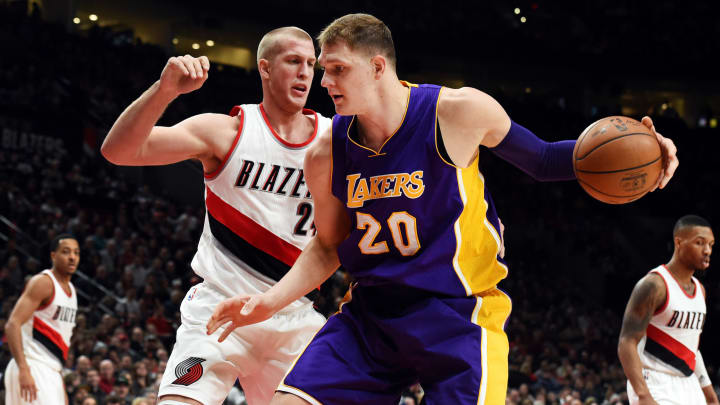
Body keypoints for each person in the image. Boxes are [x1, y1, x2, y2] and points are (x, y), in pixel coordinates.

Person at [207, 13, 679, 405]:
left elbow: (545, 160)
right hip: (370, 317)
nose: (323, 81)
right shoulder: (326, 152)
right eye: (322, 70)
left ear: (377, 67)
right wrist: (267, 302)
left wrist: (648, 153)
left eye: (335, 69)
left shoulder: (456, 112)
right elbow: (328, 245)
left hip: (459, 316)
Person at [101, 26, 330, 405]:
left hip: (294, 316)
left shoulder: (333, 140)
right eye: (293, 61)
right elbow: (119, 151)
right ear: (266, 68)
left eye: (310, 64)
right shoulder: (226, 132)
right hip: (218, 311)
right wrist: (165, 91)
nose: (305, 72)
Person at [618, 215, 719, 405]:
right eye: (700, 243)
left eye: (711, 245)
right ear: (678, 242)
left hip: (689, 384)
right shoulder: (654, 285)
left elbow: (691, 348)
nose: (707, 251)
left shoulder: (700, 290)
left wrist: (710, 395)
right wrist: (643, 395)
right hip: (655, 380)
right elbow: (626, 341)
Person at [3, 234, 79, 404]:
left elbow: (59, 346)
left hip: (50, 370)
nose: (72, 257)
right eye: (66, 252)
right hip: (32, 365)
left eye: (76, 253)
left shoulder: (72, 292)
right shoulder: (43, 283)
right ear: (53, 256)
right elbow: (12, 324)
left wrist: (59, 381)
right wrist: (23, 369)